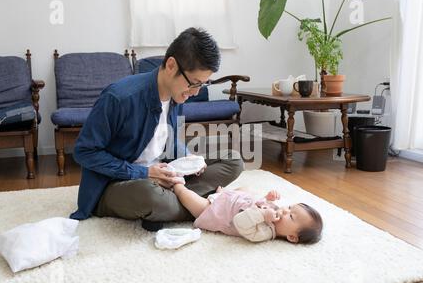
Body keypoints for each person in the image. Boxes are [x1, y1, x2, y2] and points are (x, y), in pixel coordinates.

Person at [70, 27, 244, 230]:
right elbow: (84, 152)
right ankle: (195, 205)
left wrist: (187, 157)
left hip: (164, 176)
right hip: (119, 184)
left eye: (202, 85)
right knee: (150, 195)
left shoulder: (177, 95)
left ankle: (173, 205)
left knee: (233, 160)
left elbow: (167, 139)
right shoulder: (119, 97)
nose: (196, 93)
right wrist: (143, 173)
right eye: (194, 83)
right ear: (171, 65)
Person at [173, 184, 323, 244]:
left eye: (291, 216)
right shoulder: (275, 212)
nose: (285, 210)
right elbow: (256, 204)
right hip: (233, 201)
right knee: (247, 189)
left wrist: (263, 215)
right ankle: (223, 193)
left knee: (187, 196)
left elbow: (240, 221)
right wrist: (267, 198)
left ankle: (176, 184)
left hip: (216, 211)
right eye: (290, 207)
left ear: (291, 236)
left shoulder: (264, 232)